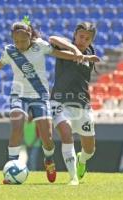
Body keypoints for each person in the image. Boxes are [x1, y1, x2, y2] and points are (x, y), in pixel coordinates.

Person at [0, 18, 94, 184]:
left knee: (47, 138)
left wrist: (79, 56)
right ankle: (11, 165)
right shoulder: (10, 51)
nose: (20, 44)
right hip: (19, 95)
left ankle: (49, 159)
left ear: (30, 37)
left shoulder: (40, 46)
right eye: (16, 41)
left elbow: (59, 54)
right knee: (17, 126)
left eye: (23, 41)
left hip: (40, 96)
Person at [49, 22, 100, 185]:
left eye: (87, 38)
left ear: (91, 40)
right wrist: (75, 50)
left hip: (82, 105)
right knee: (66, 134)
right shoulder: (66, 48)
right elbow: (52, 38)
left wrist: (83, 55)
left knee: (90, 150)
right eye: (81, 36)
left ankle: (82, 160)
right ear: (75, 35)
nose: (83, 40)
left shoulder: (91, 54)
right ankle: (73, 178)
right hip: (60, 102)